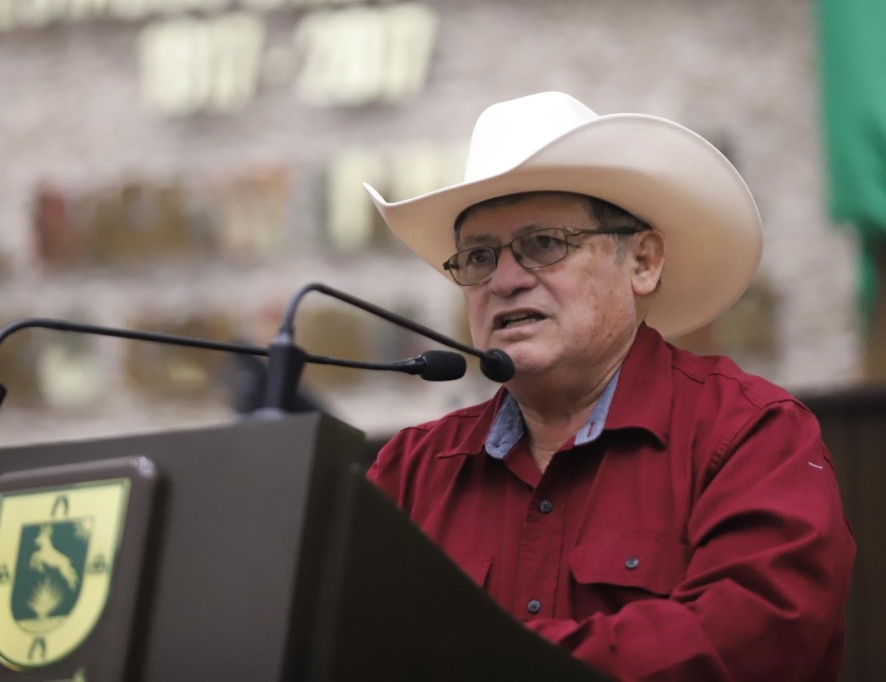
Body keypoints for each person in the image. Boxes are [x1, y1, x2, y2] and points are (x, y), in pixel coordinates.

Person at [362, 92, 855, 681]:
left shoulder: (750, 433)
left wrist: (477, 656)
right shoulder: (412, 471)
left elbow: (753, 644)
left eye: (544, 244)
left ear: (643, 263)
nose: (505, 280)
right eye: (478, 257)